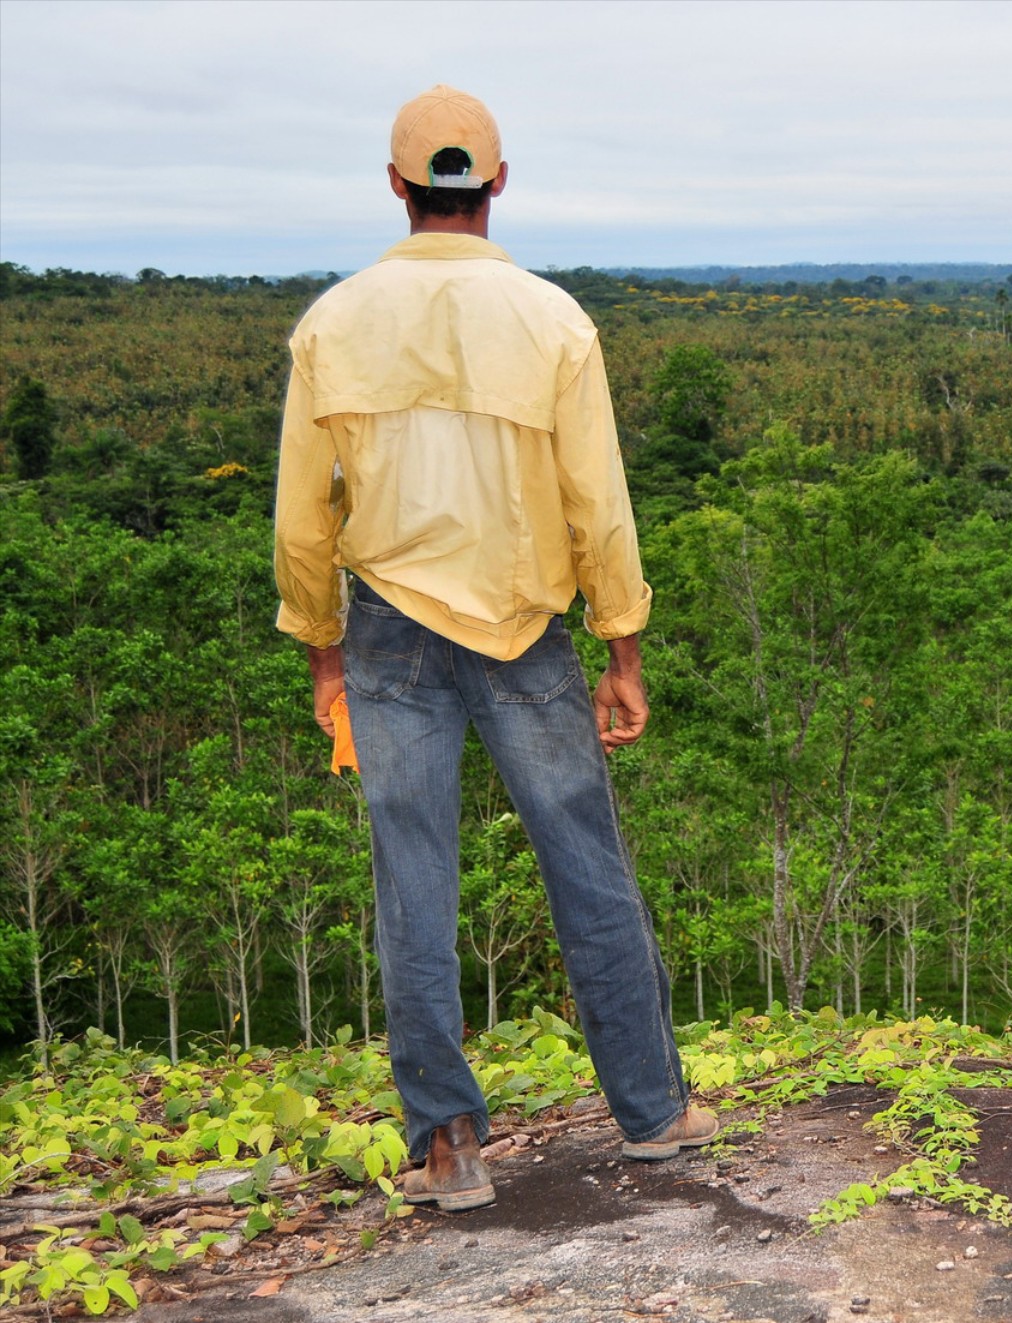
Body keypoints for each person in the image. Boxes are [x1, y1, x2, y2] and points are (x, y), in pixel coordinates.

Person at [273, 84, 717, 1212]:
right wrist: (622, 644)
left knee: (412, 879)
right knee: (587, 864)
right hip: (527, 632)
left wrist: (321, 648)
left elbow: (300, 516)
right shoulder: (554, 320)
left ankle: (448, 1148)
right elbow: (598, 503)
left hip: (386, 629)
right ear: (498, 184)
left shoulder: (332, 322)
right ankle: (654, 1114)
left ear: (396, 185)